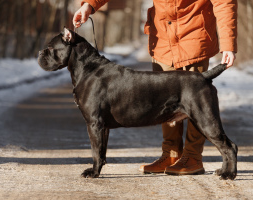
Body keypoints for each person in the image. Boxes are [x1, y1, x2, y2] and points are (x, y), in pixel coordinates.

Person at [73, 0, 237, 175]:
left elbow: (224, 2)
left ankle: (192, 157)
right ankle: (171, 154)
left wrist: (228, 43)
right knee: (162, 101)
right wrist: (89, 5)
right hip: (162, 39)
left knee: (195, 100)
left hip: (194, 35)